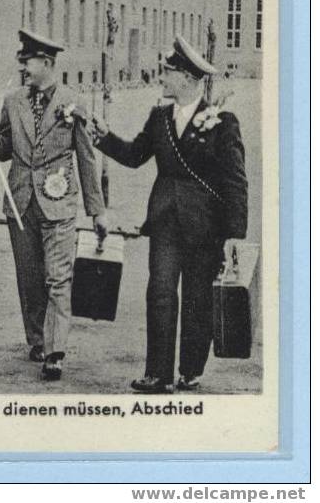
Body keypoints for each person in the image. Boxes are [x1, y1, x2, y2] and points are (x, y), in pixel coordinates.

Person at [91, 35, 248, 394]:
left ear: (187, 79)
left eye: (168, 72)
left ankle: (190, 370)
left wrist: (234, 235)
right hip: (164, 220)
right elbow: (134, 156)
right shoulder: (159, 117)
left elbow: (236, 182)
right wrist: (103, 137)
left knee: (197, 298)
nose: (161, 78)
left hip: (205, 227)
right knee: (160, 291)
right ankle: (158, 374)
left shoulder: (222, 122)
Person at [0, 29, 108, 381]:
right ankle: (37, 339)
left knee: (58, 278)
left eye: (28, 62)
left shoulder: (73, 101)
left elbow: (86, 158)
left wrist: (96, 210)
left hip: (59, 204)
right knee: (29, 278)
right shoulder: (13, 100)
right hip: (20, 203)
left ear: (47, 63)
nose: (23, 68)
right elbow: (5, 148)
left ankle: (55, 352)